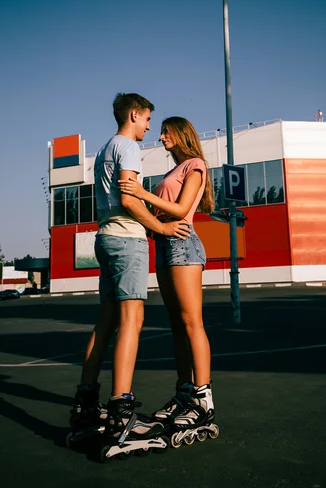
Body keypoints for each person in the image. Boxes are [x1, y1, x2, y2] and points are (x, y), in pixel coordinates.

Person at [69, 95, 191, 447]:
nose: (150, 126)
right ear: (134, 114)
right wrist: (163, 228)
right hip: (126, 239)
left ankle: (86, 407)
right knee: (132, 320)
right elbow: (129, 197)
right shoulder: (128, 147)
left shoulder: (106, 147)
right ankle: (122, 413)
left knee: (106, 323)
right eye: (148, 118)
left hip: (105, 237)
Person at [119, 116, 215, 435]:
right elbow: (161, 215)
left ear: (181, 134)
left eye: (166, 132)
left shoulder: (195, 164)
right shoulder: (171, 170)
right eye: (159, 132)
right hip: (163, 245)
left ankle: (203, 400)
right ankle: (184, 394)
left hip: (183, 246)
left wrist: (142, 194)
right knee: (176, 327)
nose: (160, 137)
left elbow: (182, 208)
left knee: (191, 322)